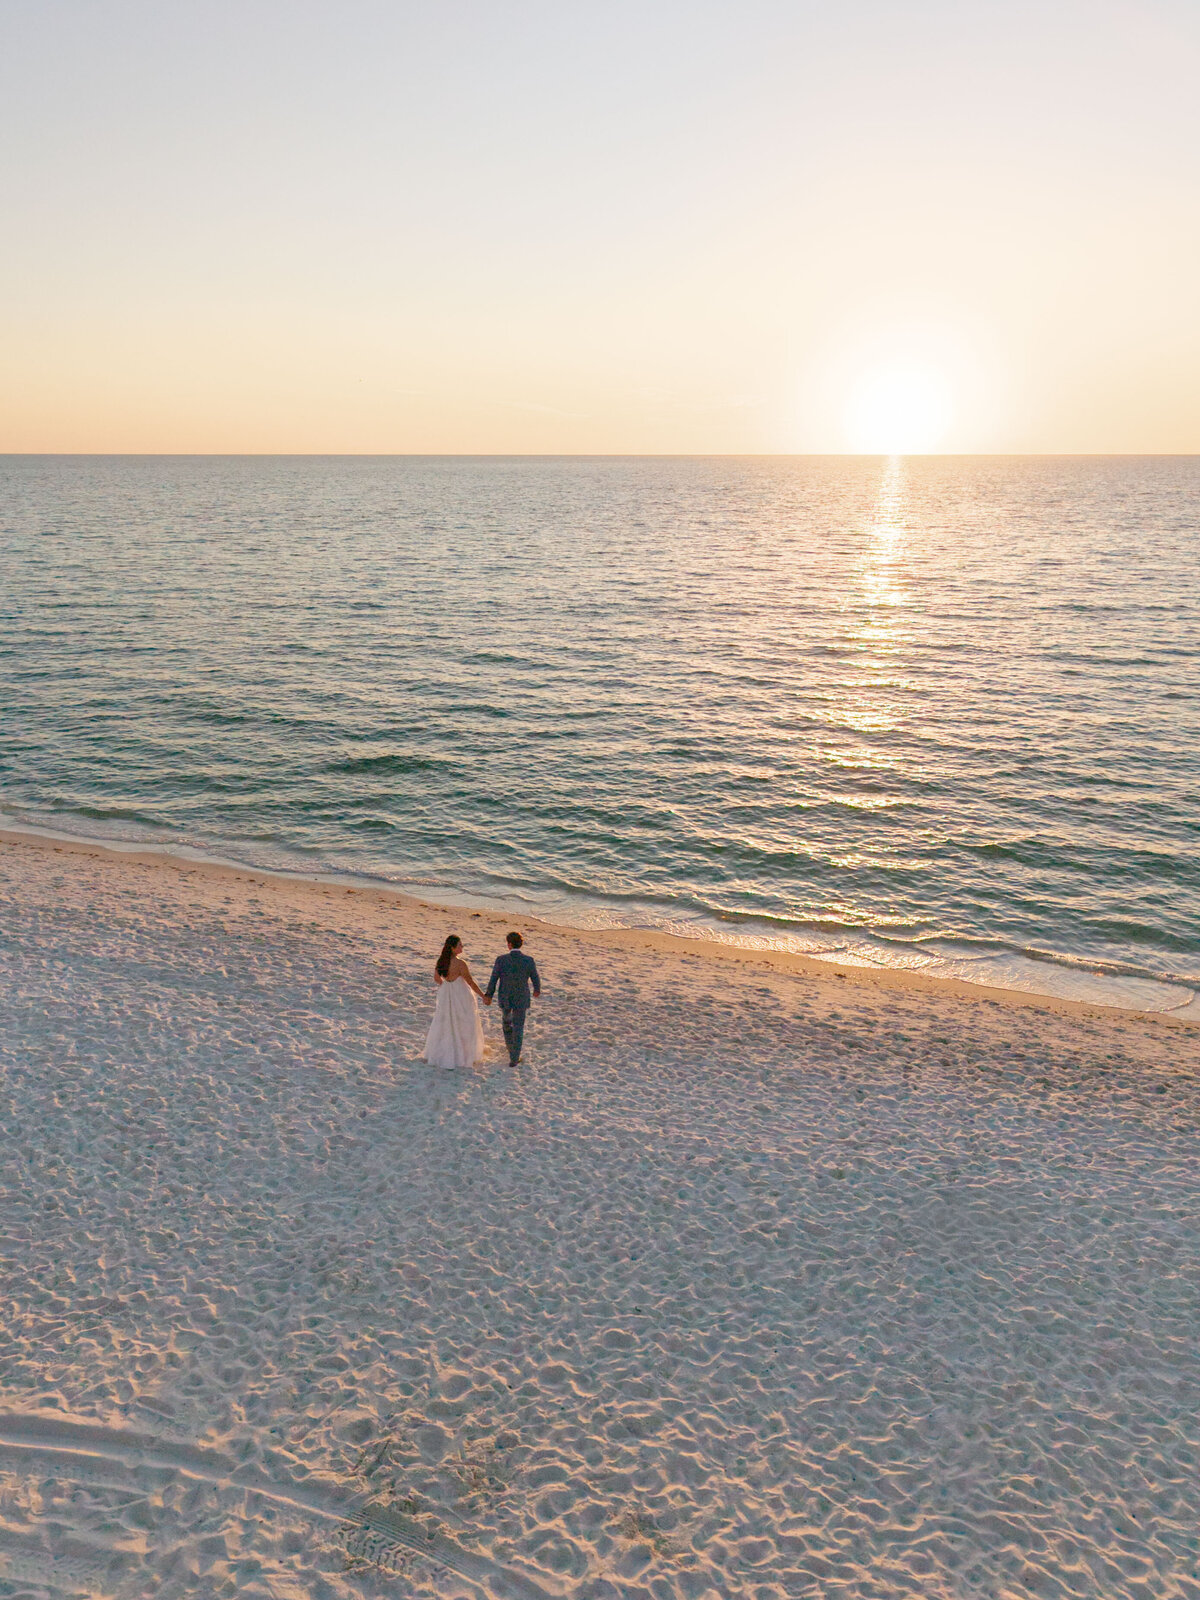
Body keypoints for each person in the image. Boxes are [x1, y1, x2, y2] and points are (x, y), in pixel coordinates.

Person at [422, 935, 487, 1070]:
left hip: (446, 992)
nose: (461, 947)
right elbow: (470, 982)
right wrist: (483, 995)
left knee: (446, 1021)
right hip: (460, 994)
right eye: (459, 945)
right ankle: (463, 1052)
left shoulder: (441, 961)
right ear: (452, 948)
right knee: (464, 1021)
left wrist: (445, 986)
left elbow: (436, 978)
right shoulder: (460, 964)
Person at [484, 931, 541, 1068]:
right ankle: (515, 1057)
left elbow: (494, 978)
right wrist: (536, 989)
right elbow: (535, 977)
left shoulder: (501, 960)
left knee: (507, 1024)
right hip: (521, 998)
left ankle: (511, 1049)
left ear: (509, 944)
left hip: (506, 997)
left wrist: (489, 995)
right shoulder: (528, 960)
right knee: (519, 1026)